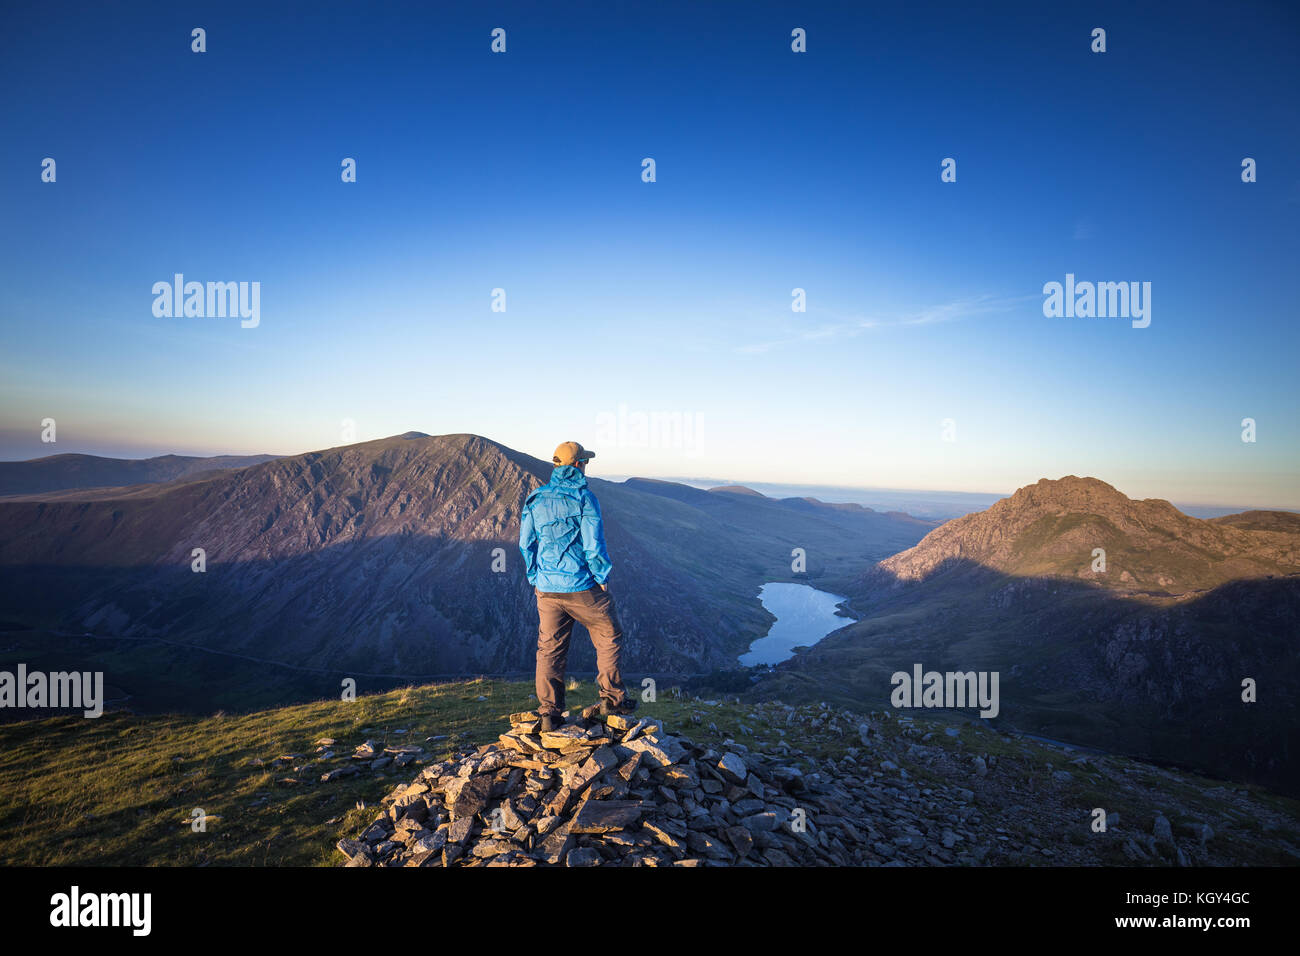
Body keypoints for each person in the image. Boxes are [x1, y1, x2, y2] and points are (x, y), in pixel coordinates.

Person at [519, 441, 635, 731]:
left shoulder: (535, 498)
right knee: (609, 633)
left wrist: (535, 575)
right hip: (581, 585)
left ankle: (550, 713)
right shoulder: (584, 498)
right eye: (585, 462)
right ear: (579, 465)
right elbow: (594, 545)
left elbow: (525, 543)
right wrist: (602, 577)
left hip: (546, 588)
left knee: (549, 649)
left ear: (556, 465)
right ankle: (613, 699)